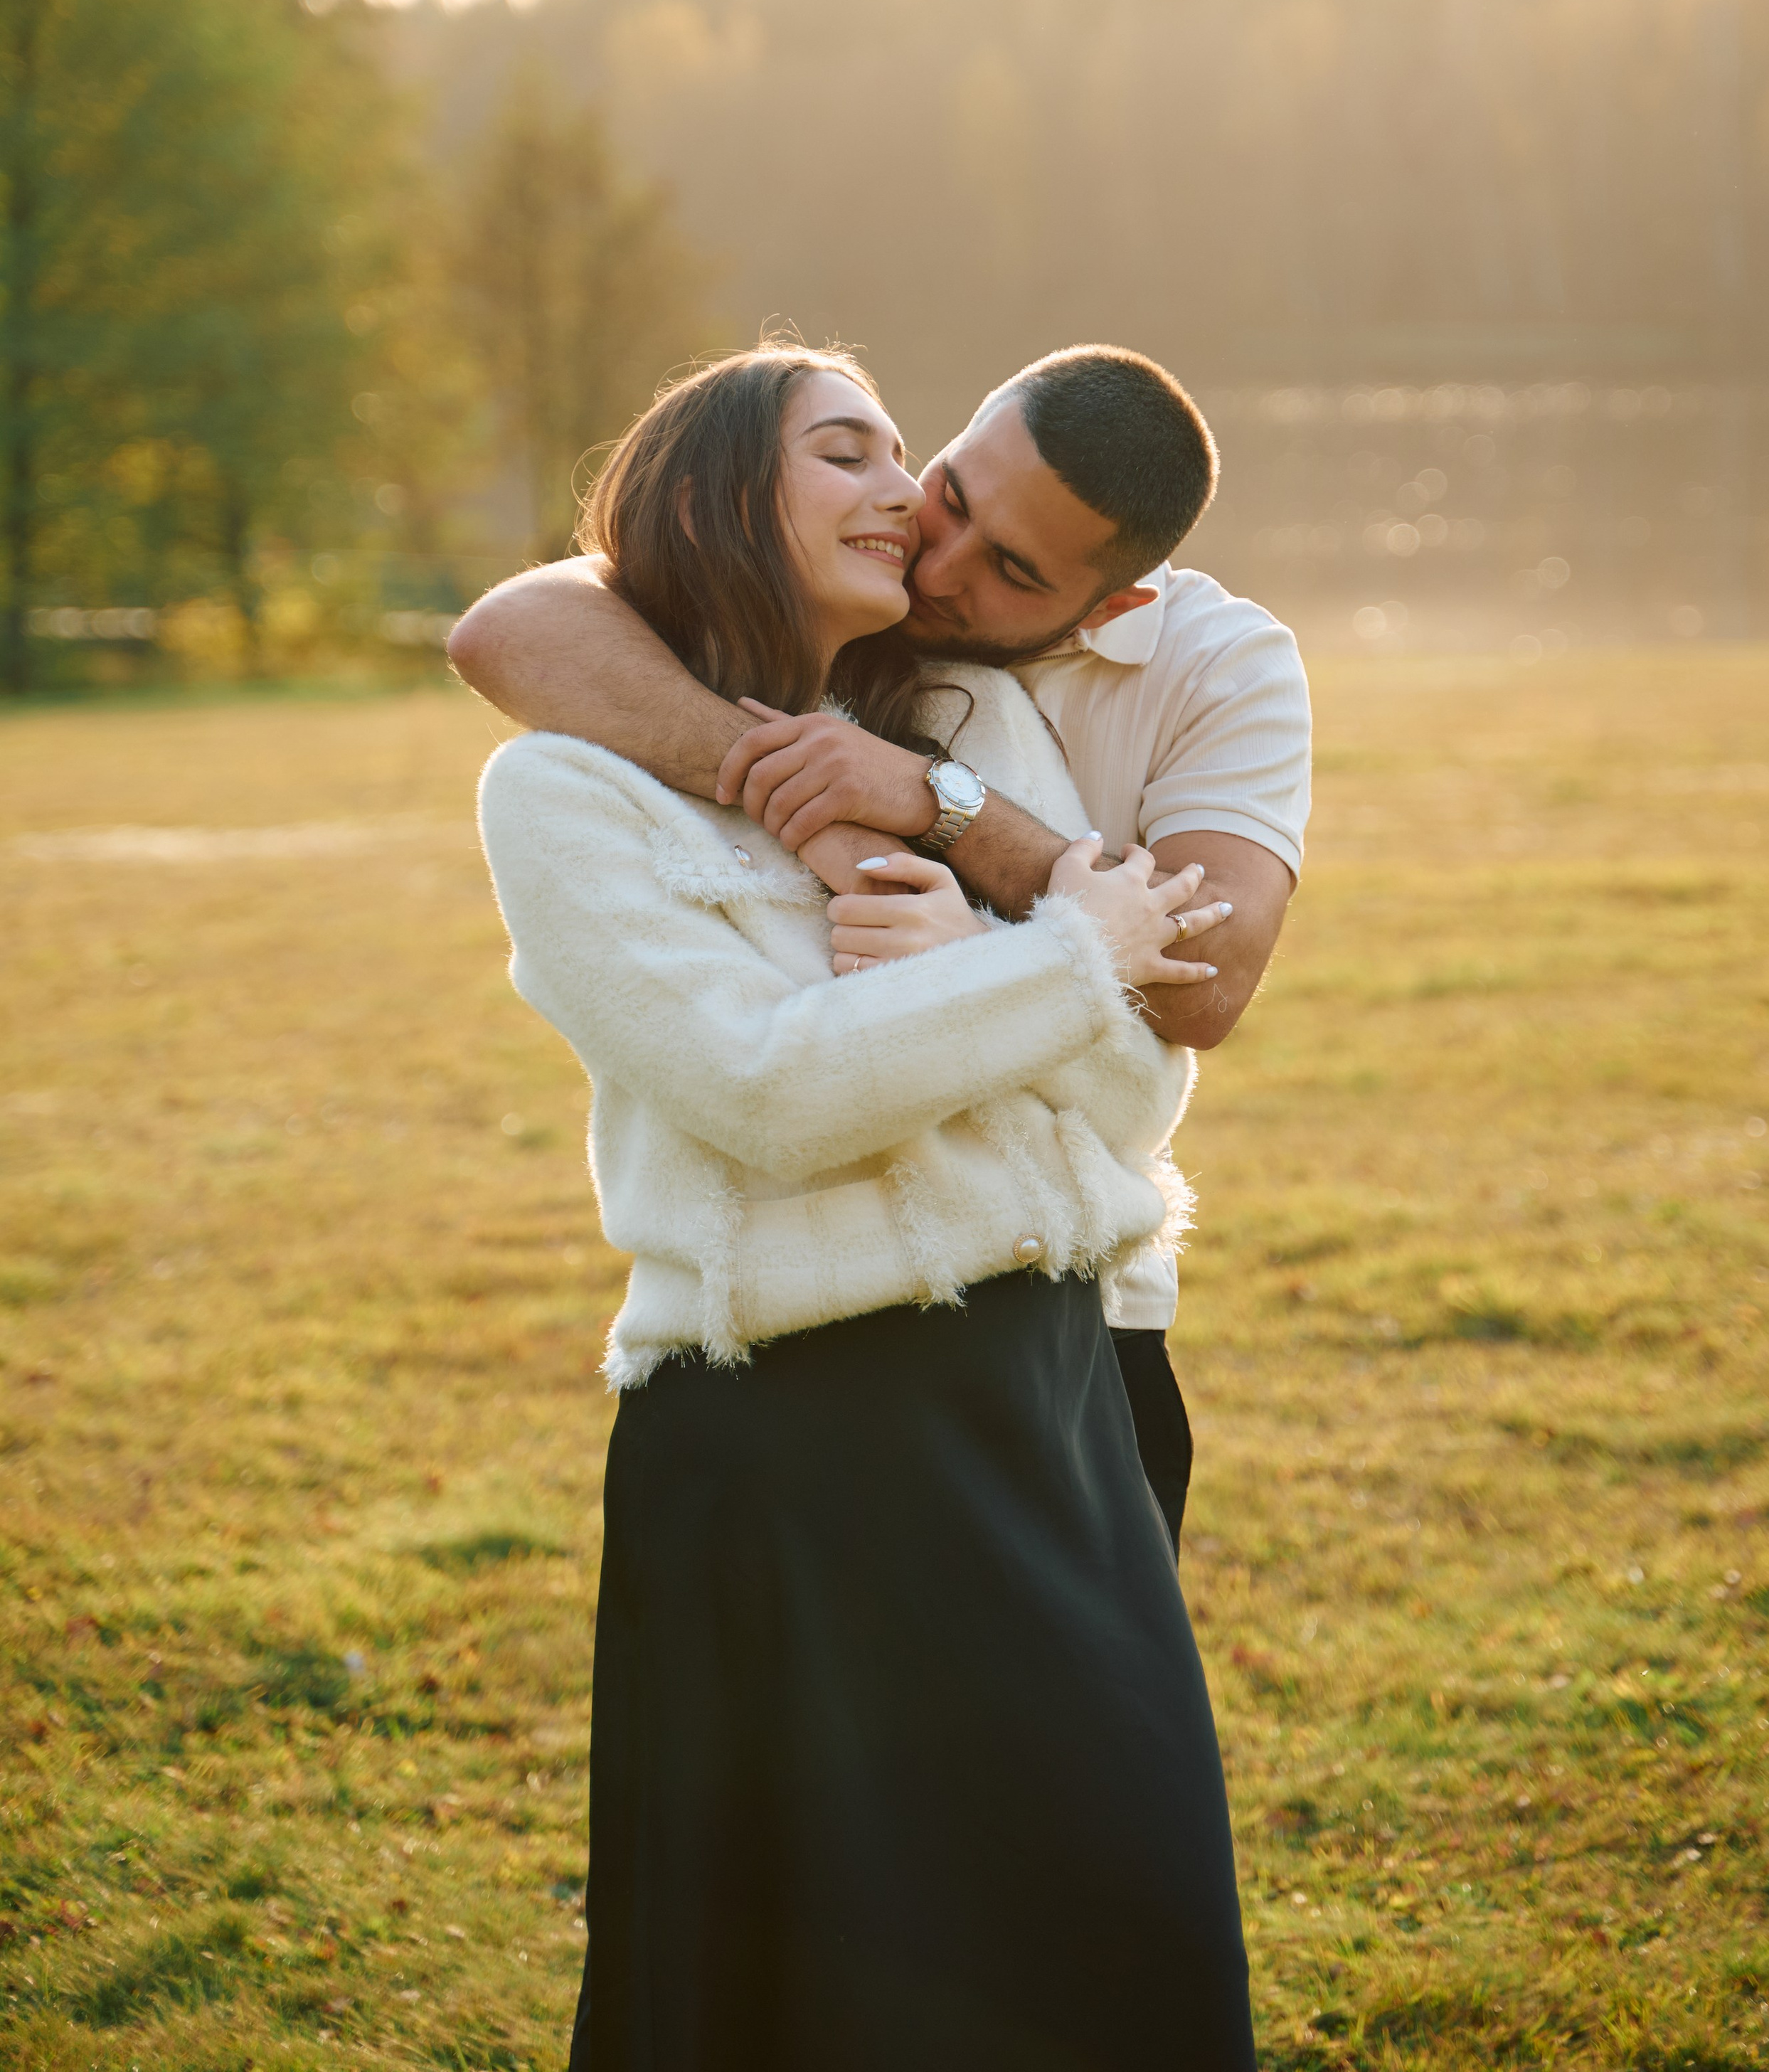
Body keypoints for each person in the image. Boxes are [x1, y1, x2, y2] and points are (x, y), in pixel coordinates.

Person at [476, 344, 1255, 2069]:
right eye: (850, 450)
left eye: (905, 451)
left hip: (1049, 1412)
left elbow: (1137, 1088)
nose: (902, 494)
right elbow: (769, 1096)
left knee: (1116, 1936)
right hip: (790, 1451)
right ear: (713, 495)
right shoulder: (560, 792)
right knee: (826, 1999)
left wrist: (986, 956)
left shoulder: (969, 726)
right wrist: (1051, 963)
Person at [450, 342, 1312, 1549]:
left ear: (1110, 604)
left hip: (1079, 1334)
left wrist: (941, 818)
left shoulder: (1167, 677)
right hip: (788, 1385)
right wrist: (798, 797)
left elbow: (1196, 989)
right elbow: (512, 626)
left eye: (1010, 568)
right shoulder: (827, 621)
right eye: (947, 491)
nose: (937, 561)